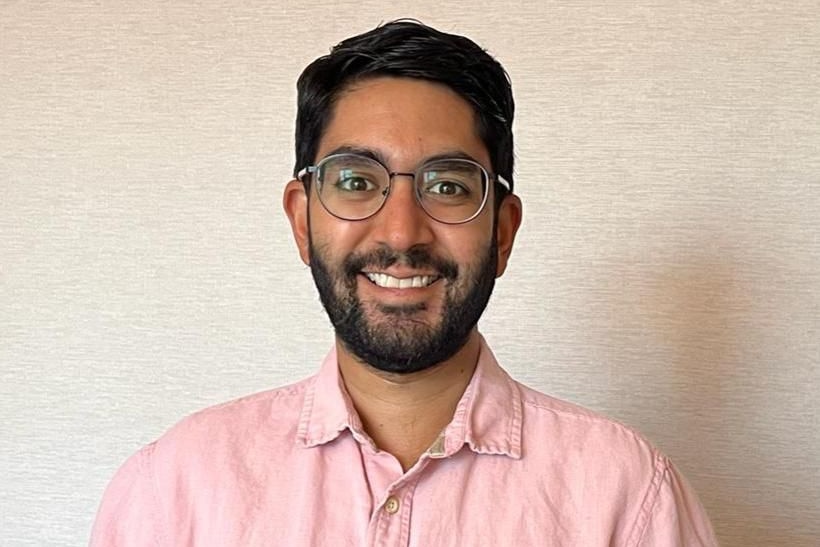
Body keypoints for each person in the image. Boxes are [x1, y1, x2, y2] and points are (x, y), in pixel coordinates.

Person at [90, 20, 717, 546]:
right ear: (301, 221)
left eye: (447, 186)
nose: (401, 233)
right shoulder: (174, 489)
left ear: (502, 232)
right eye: (357, 181)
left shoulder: (630, 496)